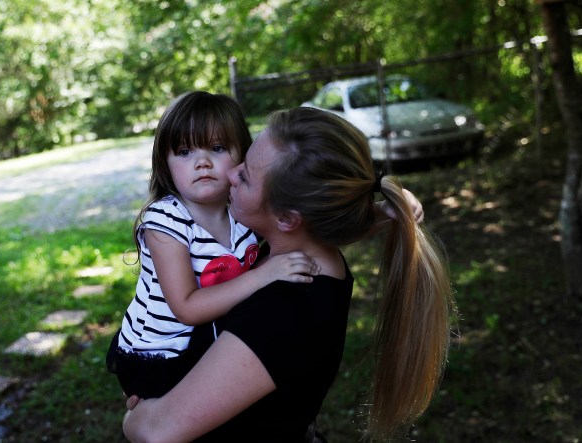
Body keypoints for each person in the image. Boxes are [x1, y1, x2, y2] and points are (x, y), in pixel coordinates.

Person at [122, 106, 453, 442]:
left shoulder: (285, 309)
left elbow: (156, 433)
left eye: (246, 175)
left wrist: (135, 418)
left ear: (287, 219)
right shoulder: (302, 256)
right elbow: (329, 222)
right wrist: (384, 211)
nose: (232, 173)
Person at [107, 91, 320, 400]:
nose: (202, 162)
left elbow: (308, 220)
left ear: (242, 159)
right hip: (159, 355)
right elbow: (187, 308)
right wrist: (263, 275)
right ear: (165, 165)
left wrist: (383, 211)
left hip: (205, 341)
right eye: (184, 151)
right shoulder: (166, 222)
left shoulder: (241, 212)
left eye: (217, 148)